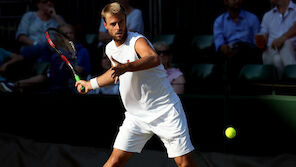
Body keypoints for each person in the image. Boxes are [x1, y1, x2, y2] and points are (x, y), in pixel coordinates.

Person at [75, 2, 198, 167]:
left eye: (121, 22)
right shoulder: (110, 49)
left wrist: (126, 67)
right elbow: (115, 73)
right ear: (105, 26)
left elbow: (154, 58)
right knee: (114, 162)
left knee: (185, 163)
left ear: (126, 21)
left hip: (165, 111)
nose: (118, 27)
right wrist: (90, 84)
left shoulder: (137, 41)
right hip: (135, 116)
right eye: (113, 24)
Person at [0, 24, 91, 93]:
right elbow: (49, 75)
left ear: (75, 34)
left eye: (70, 33)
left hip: (71, 85)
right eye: (65, 33)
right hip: (52, 85)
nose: (68, 35)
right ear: (59, 36)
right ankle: (15, 85)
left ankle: (15, 85)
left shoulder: (82, 51)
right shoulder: (56, 54)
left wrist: (77, 69)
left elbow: (87, 69)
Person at [213, 0, 261, 80]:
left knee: (241, 50)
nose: (237, 1)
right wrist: (224, 47)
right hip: (230, 51)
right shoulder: (219, 21)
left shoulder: (252, 18)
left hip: (248, 51)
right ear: (225, 2)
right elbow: (219, 43)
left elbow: (257, 43)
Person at [255, 0, 296, 76]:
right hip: (271, 51)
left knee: (285, 46)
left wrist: (283, 38)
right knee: (272, 56)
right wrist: (262, 40)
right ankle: (292, 78)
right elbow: (263, 34)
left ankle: (287, 81)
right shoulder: (267, 15)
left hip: (293, 51)